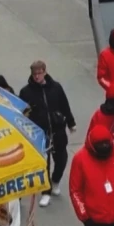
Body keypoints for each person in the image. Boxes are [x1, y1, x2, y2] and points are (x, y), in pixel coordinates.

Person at [18, 60, 77, 208]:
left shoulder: (56, 87)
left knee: (62, 159)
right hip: (40, 133)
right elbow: (22, 113)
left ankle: (55, 180)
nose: (37, 76)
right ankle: (46, 192)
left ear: (44, 72)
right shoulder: (26, 92)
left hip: (57, 130)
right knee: (43, 164)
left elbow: (65, 105)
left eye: (39, 73)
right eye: (34, 74)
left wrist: (71, 122)